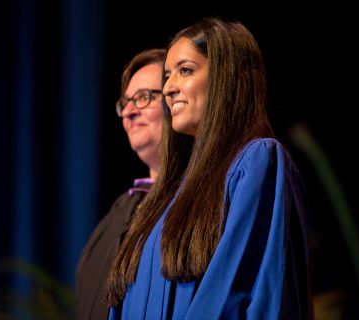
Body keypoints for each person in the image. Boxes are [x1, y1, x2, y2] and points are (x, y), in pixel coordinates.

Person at [105, 18, 314, 319]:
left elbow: (250, 294)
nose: (168, 88)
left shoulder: (256, 162)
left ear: (224, 77)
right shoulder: (165, 196)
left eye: (185, 70)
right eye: (167, 76)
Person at [75, 48, 166, 320]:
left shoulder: (205, 203)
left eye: (143, 98)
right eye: (125, 103)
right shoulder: (116, 215)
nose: (128, 112)